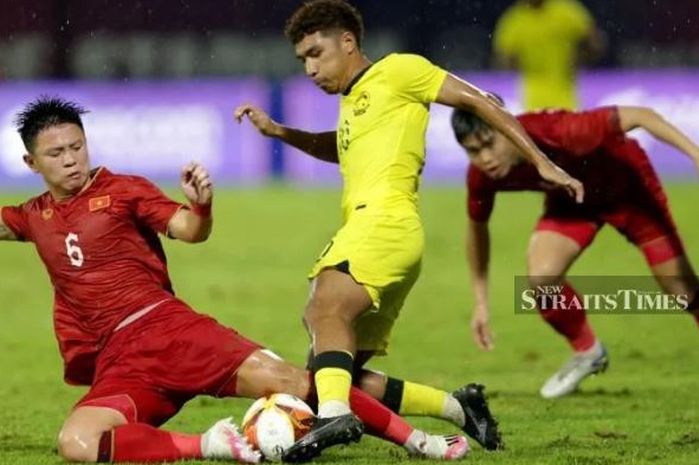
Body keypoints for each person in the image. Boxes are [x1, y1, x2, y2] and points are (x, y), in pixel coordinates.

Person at [0, 96, 473, 463]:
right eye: (55, 153)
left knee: (301, 384)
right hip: (120, 364)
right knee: (77, 441)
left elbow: (189, 230)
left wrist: (201, 204)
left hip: (171, 332)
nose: (70, 159)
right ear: (31, 164)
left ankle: (420, 441)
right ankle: (213, 443)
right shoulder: (32, 216)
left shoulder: (122, 190)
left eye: (76, 146)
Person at [235, 0, 585, 460]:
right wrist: (282, 132)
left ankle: (336, 418)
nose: (310, 68)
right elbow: (341, 150)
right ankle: (459, 408)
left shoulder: (400, 70)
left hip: (385, 223)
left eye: (316, 53)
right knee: (325, 373)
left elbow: (477, 99)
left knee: (323, 309)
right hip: (378, 230)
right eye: (303, 60)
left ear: (347, 42)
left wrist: (542, 162)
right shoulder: (352, 100)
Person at [451, 103, 699, 399]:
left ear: (507, 126)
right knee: (542, 279)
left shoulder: (559, 131)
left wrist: (695, 154)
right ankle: (588, 351)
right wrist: (480, 301)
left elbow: (640, 116)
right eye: (473, 151)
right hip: (574, 202)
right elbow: (477, 230)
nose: (486, 159)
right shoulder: (482, 176)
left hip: (629, 191)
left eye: (489, 144)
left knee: (681, 289)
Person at [493, 0, 605, 110]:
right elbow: (503, 59)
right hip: (534, 101)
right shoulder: (513, 20)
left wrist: (581, 57)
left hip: (565, 98)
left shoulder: (566, 11)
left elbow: (594, 42)